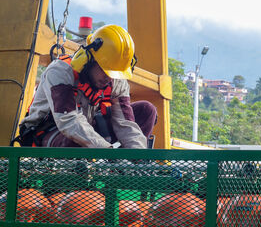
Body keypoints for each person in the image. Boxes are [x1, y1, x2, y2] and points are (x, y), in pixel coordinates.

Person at [18, 25, 157, 149]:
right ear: (90, 59)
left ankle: (128, 169)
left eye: (114, 73)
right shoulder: (61, 72)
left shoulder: (115, 81)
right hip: (49, 133)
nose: (109, 78)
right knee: (77, 138)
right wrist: (106, 151)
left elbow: (125, 124)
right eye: (105, 70)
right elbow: (69, 122)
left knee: (146, 110)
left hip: (87, 131)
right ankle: (102, 162)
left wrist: (139, 157)